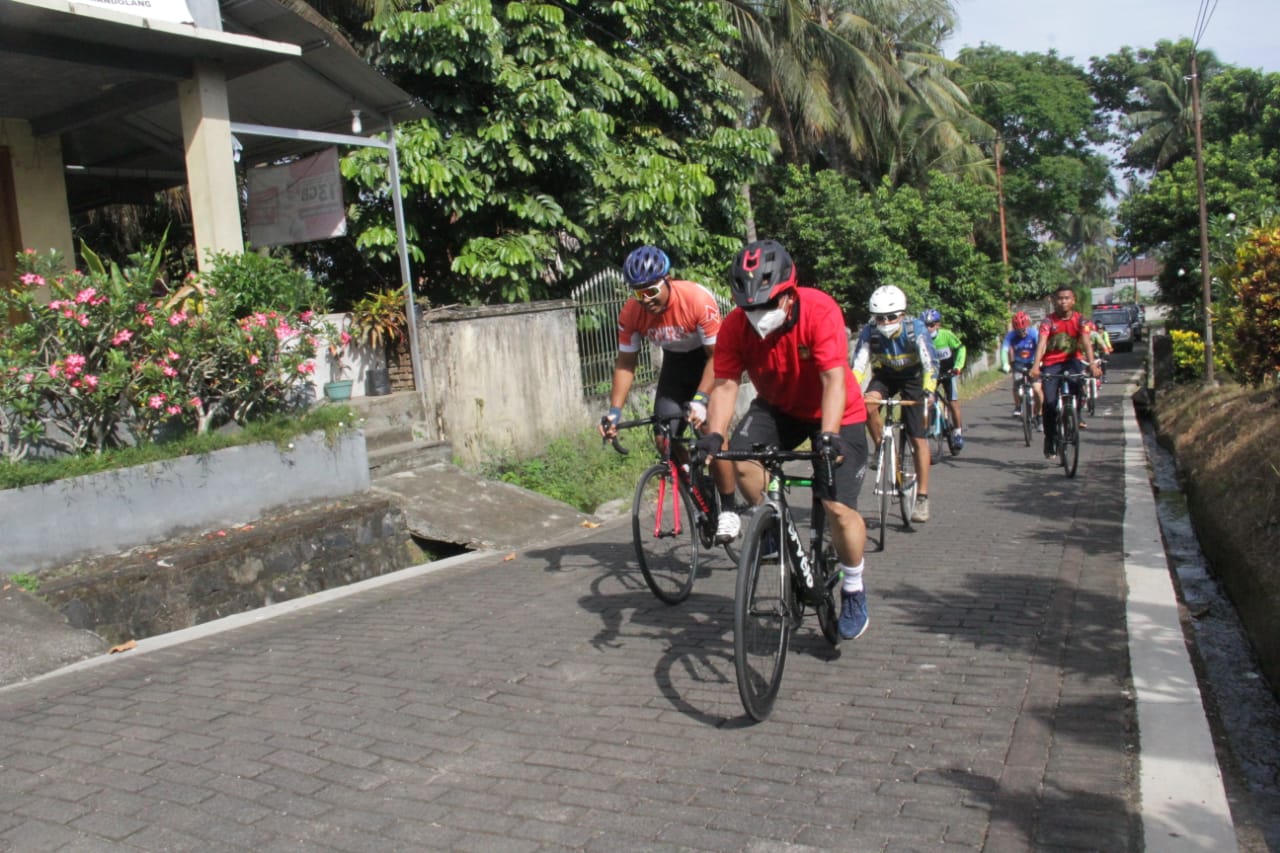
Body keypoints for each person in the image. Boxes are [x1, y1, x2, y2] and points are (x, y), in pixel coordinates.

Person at [698, 239, 872, 640]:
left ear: (790, 295)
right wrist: (715, 436)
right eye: (750, 308)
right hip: (778, 408)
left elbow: (833, 379)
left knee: (838, 509)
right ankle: (772, 521)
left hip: (836, 411)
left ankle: (854, 588)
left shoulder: (820, 309)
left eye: (767, 306)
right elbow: (724, 385)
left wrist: (827, 437)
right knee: (739, 459)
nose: (758, 316)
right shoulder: (736, 328)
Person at [599, 245, 740, 541]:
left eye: (652, 290)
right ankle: (694, 480)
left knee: (713, 433)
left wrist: (701, 399)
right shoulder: (631, 313)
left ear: (668, 280)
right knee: (663, 435)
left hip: (711, 362)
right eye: (639, 293)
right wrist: (614, 412)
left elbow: (718, 358)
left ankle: (729, 508)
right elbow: (626, 364)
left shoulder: (697, 299)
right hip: (675, 366)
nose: (646, 299)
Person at [851, 285, 938, 523]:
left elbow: (930, 363)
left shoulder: (916, 329)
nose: (885, 322)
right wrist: (851, 391)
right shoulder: (871, 332)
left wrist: (929, 391)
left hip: (913, 379)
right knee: (867, 405)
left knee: (918, 437)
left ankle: (922, 496)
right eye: (880, 318)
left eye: (890, 317)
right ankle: (881, 446)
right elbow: (858, 364)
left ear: (901, 314)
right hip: (885, 377)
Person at [1029, 286, 1101, 459]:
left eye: (1067, 298)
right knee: (1050, 404)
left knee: (1078, 387)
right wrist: (1036, 366)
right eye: (1060, 298)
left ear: (1073, 300)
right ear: (1054, 301)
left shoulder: (1080, 320)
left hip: (1072, 361)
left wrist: (1092, 364)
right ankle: (1050, 438)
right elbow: (1042, 343)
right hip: (1051, 364)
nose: (1063, 301)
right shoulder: (1048, 322)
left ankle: (1075, 417)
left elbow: (1086, 343)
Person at [921, 308, 966, 451]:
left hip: (948, 372)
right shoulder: (920, 338)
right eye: (925, 325)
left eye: (931, 325)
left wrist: (958, 366)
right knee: (927, 402)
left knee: (952, 402)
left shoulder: (946, 335)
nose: (928, 328)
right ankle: (928, 430)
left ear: (938, 325)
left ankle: (958, 432)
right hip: (932, 374)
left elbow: (961, 348)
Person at [999, 311, 1042, 421]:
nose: (1021, 333)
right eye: (1018, 331)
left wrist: (1040, 362)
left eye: (1023, 330)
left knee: (1037, 389)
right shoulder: (1010, 336)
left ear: (1027, 326)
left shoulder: (1034, 333)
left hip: (1033, 362)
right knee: (1017, 385)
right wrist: (1005, 364)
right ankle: (1018, 406)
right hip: (1019, 363)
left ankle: (1039, 413)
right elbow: (1004, 350)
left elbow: (1040, 348)